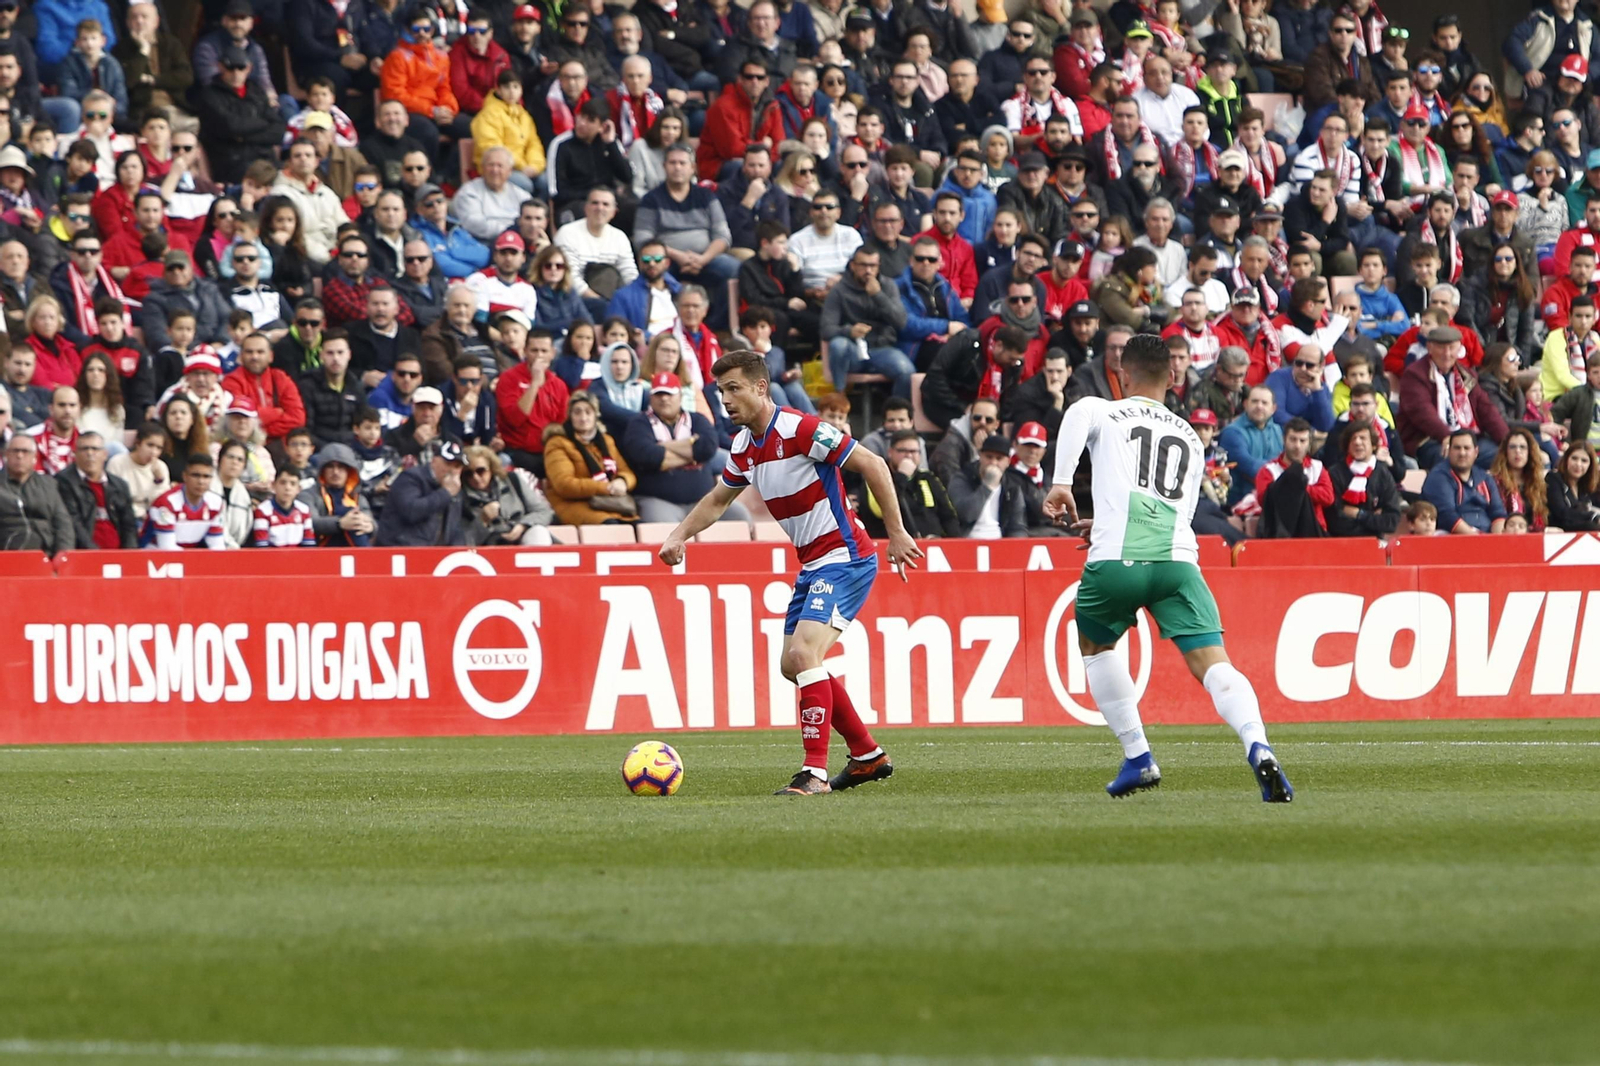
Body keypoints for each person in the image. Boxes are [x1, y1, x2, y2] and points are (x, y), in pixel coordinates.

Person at [1042, 332, 1292, 801]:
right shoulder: (1190, 436)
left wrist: (1061, 484)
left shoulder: (1105, 410)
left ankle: (1138, 756)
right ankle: (1258, 743)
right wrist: (1107, 521)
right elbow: (1177, 510)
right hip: (1177, 563)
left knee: (1096, 646)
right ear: (1174, 376)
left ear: (1121, 374)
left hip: (1118, 562)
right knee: (1214, 664)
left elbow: (1077, 414)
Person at [658, 349, 917, 795]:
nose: (726, 400)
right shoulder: (745, 446)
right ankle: (866, 754)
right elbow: (719, 499)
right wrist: (679, 535)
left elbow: (874, 464)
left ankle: (814, 773)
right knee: (791, 665)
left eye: (734, 388)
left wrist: (895, 533)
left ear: (761, 388)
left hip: (845, 555)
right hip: (813, 562)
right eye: (721, 391)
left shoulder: (801, 429)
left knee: (802, 655)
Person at [822, 246, 913, 396]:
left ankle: (895, 408)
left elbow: (901, 322)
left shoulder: (888, 286)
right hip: (852, 350)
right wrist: (849, 331)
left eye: (872, 266)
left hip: (881, 348)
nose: (868, 270)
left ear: (878, 266)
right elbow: (826, 329)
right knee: (838, 345)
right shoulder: (839, 290)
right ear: (853, 266)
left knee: (907, 371)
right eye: (863, 265)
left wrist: (878, 295)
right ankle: (840, 397)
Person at [543, 391, 637, 525]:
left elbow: (627, 472)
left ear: (596, 415)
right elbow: (564, 485)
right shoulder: (557, 443)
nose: (583, 418)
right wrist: (607, 488)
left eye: (588, 412)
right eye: (577, 412)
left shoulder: (606, 440)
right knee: (611, 526)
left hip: (610, 504)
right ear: (570, 416)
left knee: (638, 525)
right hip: (573, 504)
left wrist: (623, 481)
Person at [378, 438, 466, 546]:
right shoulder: (411, 478)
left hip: (437, 551)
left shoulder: (454, 487)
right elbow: (411, 511)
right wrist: (445, 493)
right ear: (434, 461)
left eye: (457, 466)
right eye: (448, 463)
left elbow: (454, 527)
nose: (452, 470)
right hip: (400, 548)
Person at [1421, 427, 1507, 534]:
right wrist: (1477, 539)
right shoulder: (1438, 477)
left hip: (1485, 536)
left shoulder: (1485, 477)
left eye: (1467, 448)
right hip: (1451, 536)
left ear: (1476, 452)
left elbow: (1498, 513)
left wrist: (1497, 539)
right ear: (1449, 451)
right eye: (1457, 448)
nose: (1462, 453)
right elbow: (1447, 516)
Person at [1325, 420, 1401, 537]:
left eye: (1363, 438)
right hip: (1341, 541)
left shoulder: (1383, 474)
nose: (1357, 442)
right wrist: (1373, 519)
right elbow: (1335, 520)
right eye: (1353, 439)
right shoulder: (1335, 473)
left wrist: (1359, 514)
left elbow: (1391, 521)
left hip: (1375, 541)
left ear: (1373, 445)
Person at [0, 433, 74, 555]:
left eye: (25, 451)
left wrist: (62, 556)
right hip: (5, 555)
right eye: (15, 451)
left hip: (45, 554)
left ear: (34, 457)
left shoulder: (48, 485)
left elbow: (63, 525)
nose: (19, 456)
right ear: (6, 455)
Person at [146, 452, 227, 550]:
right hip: (152, 555)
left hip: (188, 555)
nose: (201, 481)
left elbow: (217, 545)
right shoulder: (166, 503)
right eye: (195, 475)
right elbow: (167, 548)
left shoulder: (216, 504)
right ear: (184, 476)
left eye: (206, 476)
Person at [1546, 440, 1600, 530]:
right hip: (1560, 533)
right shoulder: (1553, 478)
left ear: (1590, 465)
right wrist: (1593, 516)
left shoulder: (1589, 485)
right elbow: (1561, 512)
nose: (1578, 464)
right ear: (1566, 459)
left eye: (1584, 461)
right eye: (1574, 458)